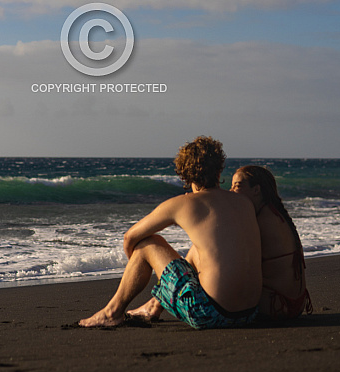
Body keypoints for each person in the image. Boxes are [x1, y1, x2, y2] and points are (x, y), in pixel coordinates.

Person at [79, 136, 262, 330]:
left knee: (147, 244)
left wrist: (138, 264)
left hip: (210, 314)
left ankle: (112, 313)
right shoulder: (243, 202)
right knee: (202, 248)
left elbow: (130, 237)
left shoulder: (183, 204)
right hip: (250, 313)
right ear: (219, 169)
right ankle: (153, 306)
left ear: (185, 173)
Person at [230, 165, 312, 318]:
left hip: (274, 307)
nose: (231, 191)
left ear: (256, 190)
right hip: (295, 304)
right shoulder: (276, 215)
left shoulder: (260, 221)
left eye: (237, 186)